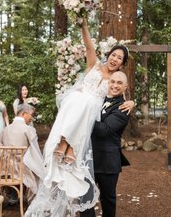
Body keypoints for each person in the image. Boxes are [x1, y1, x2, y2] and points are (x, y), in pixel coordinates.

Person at [25, 20, 133, 217]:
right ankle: (64, 145)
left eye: (120, 58)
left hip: (91, 113)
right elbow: (88, 45)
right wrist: (83, 25)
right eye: (114, 55)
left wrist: (132, 103)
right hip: (80, 103)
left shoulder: (115, 81)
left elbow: (122, 95)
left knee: (84, 108)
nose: (115, 59)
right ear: (109, 55)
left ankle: (70, 147)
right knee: (78, 104)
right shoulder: (94, 65)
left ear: (122, 65)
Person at [81, 71, 131, 217]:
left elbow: (104, 130)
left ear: (125, 87)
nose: (115, 85)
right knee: (85, 198)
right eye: (113, 81)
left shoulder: (124, 108)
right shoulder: (98, 99)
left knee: (107, 199)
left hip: (107, 163)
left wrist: (85, 116)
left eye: (119, 83)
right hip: (88, 159)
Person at [0, 103, 45, 202]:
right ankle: (34, 200)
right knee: (38, 167)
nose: (32, 118)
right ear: (24, 114)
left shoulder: (5, 129)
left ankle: (12, 195)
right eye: (31, 115)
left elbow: (1, 149)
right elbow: (35, 152)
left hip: (5, 169)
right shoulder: (29, 129)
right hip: (21, 169)